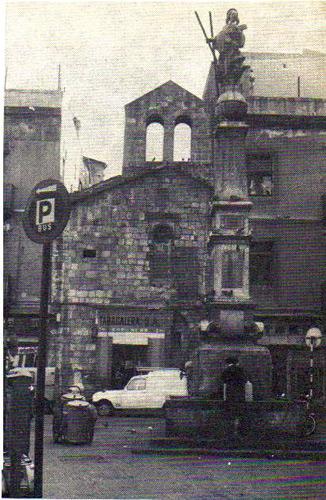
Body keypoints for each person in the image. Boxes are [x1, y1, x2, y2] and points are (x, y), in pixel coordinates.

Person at [221, 357, 247, 436]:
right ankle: (237, 430)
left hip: (230, 393)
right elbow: (244, 379)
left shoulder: (226, 370)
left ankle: (230, 430)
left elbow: (223, 379)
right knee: (238, 412)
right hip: (239, 393)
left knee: (230, 411)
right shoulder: (240, 370)